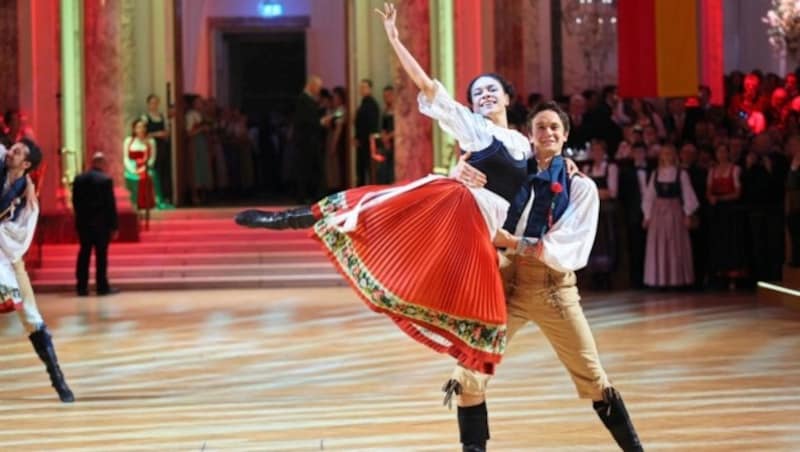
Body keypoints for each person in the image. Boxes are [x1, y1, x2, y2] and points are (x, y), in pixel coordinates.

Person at [236, 3, 535, 375]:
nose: (485, 96)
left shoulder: (525, 144)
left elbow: (536, 182)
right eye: (477, 93)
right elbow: (426, 84)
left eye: (492, 90)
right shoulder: (474, 128)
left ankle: (471, 408)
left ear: (508, 97)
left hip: (483, 228)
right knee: (369, 207)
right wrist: (395, 38)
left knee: (479, 305)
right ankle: (288, 219)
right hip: (456, 209)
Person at [446, 102, 643, 452]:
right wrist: (461, 170)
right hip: (508, 283)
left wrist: (513, 243)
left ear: (565, 135)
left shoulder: (578, 185)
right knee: (469, 373)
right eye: (540, 127)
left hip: (554, 289)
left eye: (555, 127)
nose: (548, 133)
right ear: (529, 134)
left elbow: (569, 247)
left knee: (593, 378)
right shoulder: (513, 172)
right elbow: (471, 179)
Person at [0, 139, 74, 402]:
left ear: (27, 164)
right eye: (12, 147)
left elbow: (17, 243)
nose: (11, 151)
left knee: (31, 316)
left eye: (18, 152)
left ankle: (59, 381)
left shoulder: (27, 201)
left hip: (7, 259)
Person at [642, 144, 699, 288]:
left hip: (675, 212)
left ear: (674, 155)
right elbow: (649, 196)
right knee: (659, 245)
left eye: (669, 153)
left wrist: (688, 214)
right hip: (658, 213)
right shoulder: (655, 173)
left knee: (674, 245)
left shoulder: (681, 173)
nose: (666, 156)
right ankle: (660, 280)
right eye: (664, 153)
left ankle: (676, 280)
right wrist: (647, 215)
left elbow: (688, 194)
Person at [72, 151, 119, 297]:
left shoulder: (79, 179)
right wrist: (114, 226)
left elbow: (75, 202)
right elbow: (110, 205)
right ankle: (101, 286)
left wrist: (79, 219)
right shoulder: (105, 180)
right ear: (102, 163)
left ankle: (81, 287)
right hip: (101, 224)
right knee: (101, 255)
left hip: (84, 223)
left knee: (84, 253)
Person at [292, 75, 327, 203]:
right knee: (306, 169)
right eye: (318, 87)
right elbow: (305, 121)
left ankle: (311, 195)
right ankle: (305, 196)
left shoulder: (308, 100)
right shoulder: (303, 100)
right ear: (311, 85)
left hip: (310, 141)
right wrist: (321, 122)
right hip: (307, 142)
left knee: (310, 169)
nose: (319, 90)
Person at [123, 118, 156, 229]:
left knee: (145, 178)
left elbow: (152, 159)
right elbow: (125, 158)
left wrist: (144, 167)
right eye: (138, 127)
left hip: (145, 168)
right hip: (131, 168)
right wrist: (131, 169)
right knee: (132, 178)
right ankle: (133, 203)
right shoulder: (129, 141)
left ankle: (144, 204)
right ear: (134, 129)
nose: (141, 129)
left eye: (143, 127)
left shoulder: (150, 141)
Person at [141, 94, 172, 208]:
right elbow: (142, 133)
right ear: (148, 104)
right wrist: (156, 134)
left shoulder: (162, 116)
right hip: (152, 146)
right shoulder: (145, 117)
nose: (154, 105)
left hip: (162, 146)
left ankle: (165, 196)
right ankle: (155, 197)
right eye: (152, 103)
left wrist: (165, 134)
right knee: (155, 170)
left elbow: (167, 131)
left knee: (164, 171)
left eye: (156, 102)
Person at [354, 79, 381, 186]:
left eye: (364, 87)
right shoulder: (363, 104)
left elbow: (371, 125)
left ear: (370, 89)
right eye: (360, 87)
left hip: (368, 143)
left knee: (369, 169)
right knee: (360, 169)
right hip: (362, 142)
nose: (361, 89)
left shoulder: (372, 105)